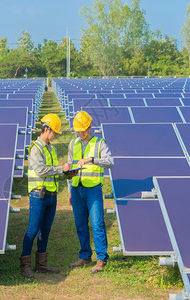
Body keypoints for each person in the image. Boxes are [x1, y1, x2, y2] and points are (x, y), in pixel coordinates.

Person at [19, 113, 71, 278]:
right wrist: (60, 169)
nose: (55, 135)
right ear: (46, 129)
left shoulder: (51, 148)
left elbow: (53, 171)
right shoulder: (36, 149)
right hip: (38, 196)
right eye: (54, 132)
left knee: (45, 231)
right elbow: (41, 170)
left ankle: (41, 264)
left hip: (52, 195)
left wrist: (68, 173)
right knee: (33, 229)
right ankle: (25, 265)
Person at [67, 111, 114, 273]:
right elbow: (69, 166)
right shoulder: (73, 144)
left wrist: (92, 160)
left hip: (93, 190)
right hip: (76, 189)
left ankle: (101, 258)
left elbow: (110, 162)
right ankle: (85, 256)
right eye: (78, 130)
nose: (80, 132)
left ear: (89, 127)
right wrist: (69, 190)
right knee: (80, 224)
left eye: (83, 129)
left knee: (97, 224)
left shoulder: (99, 143)